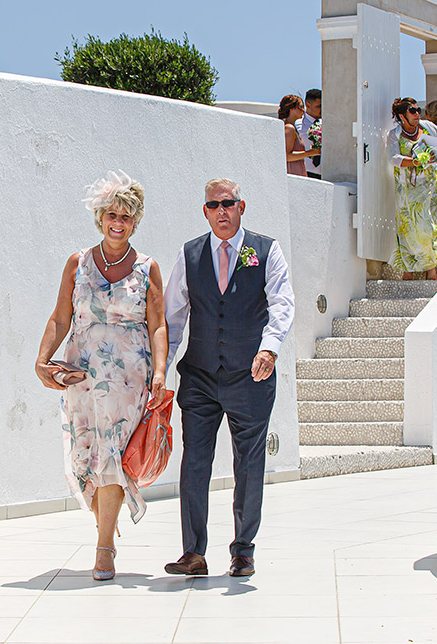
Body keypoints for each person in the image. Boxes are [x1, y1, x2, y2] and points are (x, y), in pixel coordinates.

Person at [34, 170, 168, 581]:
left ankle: (104, 548)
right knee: (85, 457)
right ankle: (106, 525)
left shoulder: (148, 268)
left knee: (112, 457)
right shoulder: (78, 263)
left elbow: (158, 324)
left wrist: (160, 372)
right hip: (82, 376)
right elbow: (61, 317)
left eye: (126, 217)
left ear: (135, 221)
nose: (118, 222)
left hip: (129, 377)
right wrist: (42, 361)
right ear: (100, 217)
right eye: (112, 214)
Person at [162, 178, 295, 578]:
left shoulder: (266, 251)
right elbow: (172, 318)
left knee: (249, 464)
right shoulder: (190, 254)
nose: (221, 211)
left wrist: (269, 348)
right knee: (195, 463)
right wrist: (159, 372)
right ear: (205, 211)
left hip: (250, 376)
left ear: (241, 206)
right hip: (200, 377)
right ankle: (193, 552)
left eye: (228, 203)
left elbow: (283, 303)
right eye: (213, 205)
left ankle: (243, 550)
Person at [387, 97, 437, 280]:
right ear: (402, 115)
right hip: (407, 190)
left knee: (430, 227)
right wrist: (415, 161)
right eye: (412, 111)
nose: (418, 114)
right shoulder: (395, 134)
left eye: (418, 110)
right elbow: (393, 158)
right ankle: (409, 267)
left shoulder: (427, 127)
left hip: (430, 187)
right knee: (410, 228)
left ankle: (431, 267)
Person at [278, 95, 318, 177]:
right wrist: (309, 153)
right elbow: (286, 156)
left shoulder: (293, 129)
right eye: (300, 107)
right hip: (292, 176)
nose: (303, 111)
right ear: (291, 109)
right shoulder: (289, 128)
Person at [296, 89, 323, 179]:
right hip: (305, 173)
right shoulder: (298, 124)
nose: (321, 109)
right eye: (318, 106)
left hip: (325, 174)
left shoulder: (326, 123)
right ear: (308, 105)